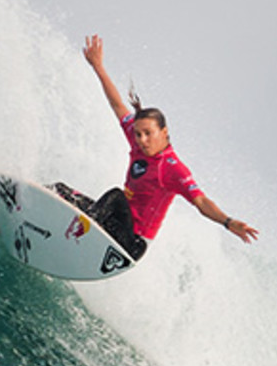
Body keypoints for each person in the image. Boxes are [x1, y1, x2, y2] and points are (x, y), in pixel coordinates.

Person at [56, 35, 259, 259]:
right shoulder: (136, 140)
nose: (142, 139)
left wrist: (228, 222)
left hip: (132, 243)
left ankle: (75, 239)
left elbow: (200, 201)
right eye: (138, 133)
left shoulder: (171, 168)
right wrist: (98, 67)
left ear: (164, 133)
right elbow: (117, 105)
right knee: (61, 191)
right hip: (113, 224)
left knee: (115, 196)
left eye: (148, 134)